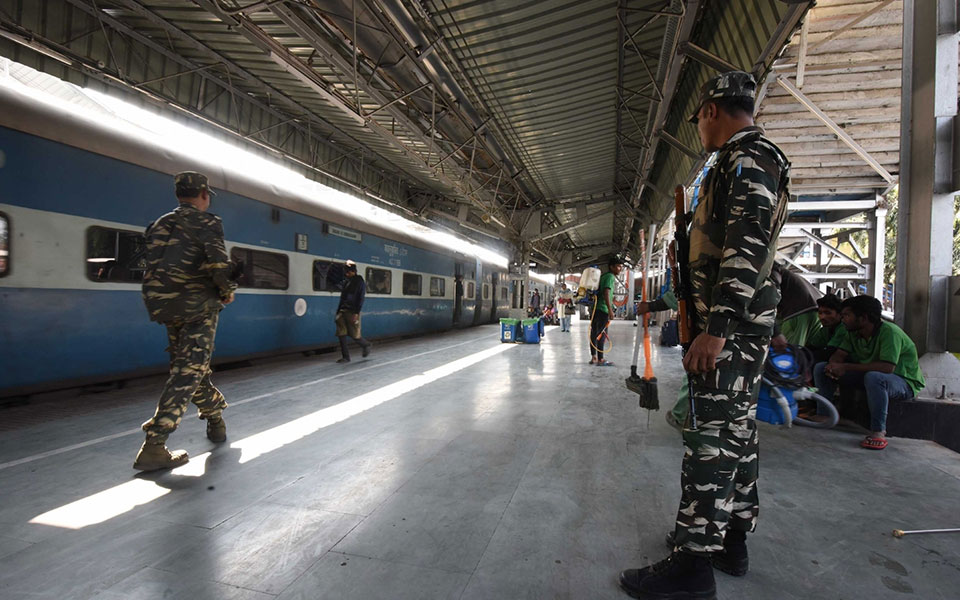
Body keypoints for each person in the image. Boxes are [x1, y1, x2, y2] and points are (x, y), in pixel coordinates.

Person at [620, 71, 791, 600]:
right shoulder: (740, 161)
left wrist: (715, 330)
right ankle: (730, 543)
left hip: (731, 331)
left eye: (697, 118)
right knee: (737, 435)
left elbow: (746, 247)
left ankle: (692, 566)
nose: (698, 127)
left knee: (708, 440)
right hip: (739, 327)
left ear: (712, 110)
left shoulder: (747, 158)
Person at [134, 171, 237, 471]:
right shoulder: (208, 222)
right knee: (187, 371)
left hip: (164, 307)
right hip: (198, 307)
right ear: (204, 195)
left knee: (192, 368)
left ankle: (216, 419)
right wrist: (227, 291)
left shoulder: (159, 224)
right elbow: (218, 263)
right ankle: (155, 444)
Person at [813, 295, 924, 451]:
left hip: (903, 382)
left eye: (846, 315)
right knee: (821, 368)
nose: (843, 319)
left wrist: (846, 367)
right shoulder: (851, 332)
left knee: (875, 377)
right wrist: (833, 365)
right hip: (868, 376)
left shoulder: (890, 332)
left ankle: (878, 431)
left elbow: (887, 368)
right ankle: (824, 414)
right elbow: (840, 353)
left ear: (863, 318)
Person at [336, 260, 372, 363]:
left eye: (348, 271)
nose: (346, 273)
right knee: (341, 333)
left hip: (352, 312)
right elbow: (343, 298)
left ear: (353, 271)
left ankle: (366, 345)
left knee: (354, 335)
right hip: (342, 311)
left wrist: (356, 312)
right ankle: (346, 357)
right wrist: (338, 311)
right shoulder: (346, 281)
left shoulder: (359, 281)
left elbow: (360, 298)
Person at [589, 257, 623, 366]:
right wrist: (610, 310)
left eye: (621, 267)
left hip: (596, 309)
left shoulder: (603, 276)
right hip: (603, 309)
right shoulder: (610, 277)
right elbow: (606, 292)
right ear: (611, 267)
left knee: (594, 333)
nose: (620, 269)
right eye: (618, 266)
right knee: (601, 335)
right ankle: (601, 359)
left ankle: (594, 357)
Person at [805, 293, 845, 363]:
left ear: (840, 314)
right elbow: (811, 347)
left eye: (828, 313)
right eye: (820, 313)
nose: (822, 317)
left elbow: (829, 352)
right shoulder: (825, 330)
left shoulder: (843, 328)